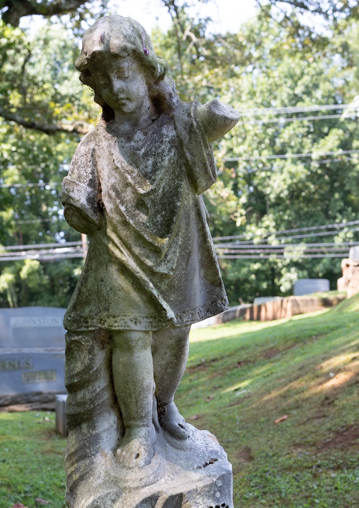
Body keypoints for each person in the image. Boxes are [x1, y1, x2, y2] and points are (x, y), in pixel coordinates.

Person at [62, 15, 239, 469]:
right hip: (120, 259)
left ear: (146, 72)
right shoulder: (95, 144)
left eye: (123, 74)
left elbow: (219, 119)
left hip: (175, 248)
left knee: (175, 332)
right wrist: (77, 205)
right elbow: (79, 206)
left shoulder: (178, 127)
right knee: (131, 339)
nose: (116, 89)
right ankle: (139, 425)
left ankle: (164, 405)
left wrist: (201, 114)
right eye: (104, 82)